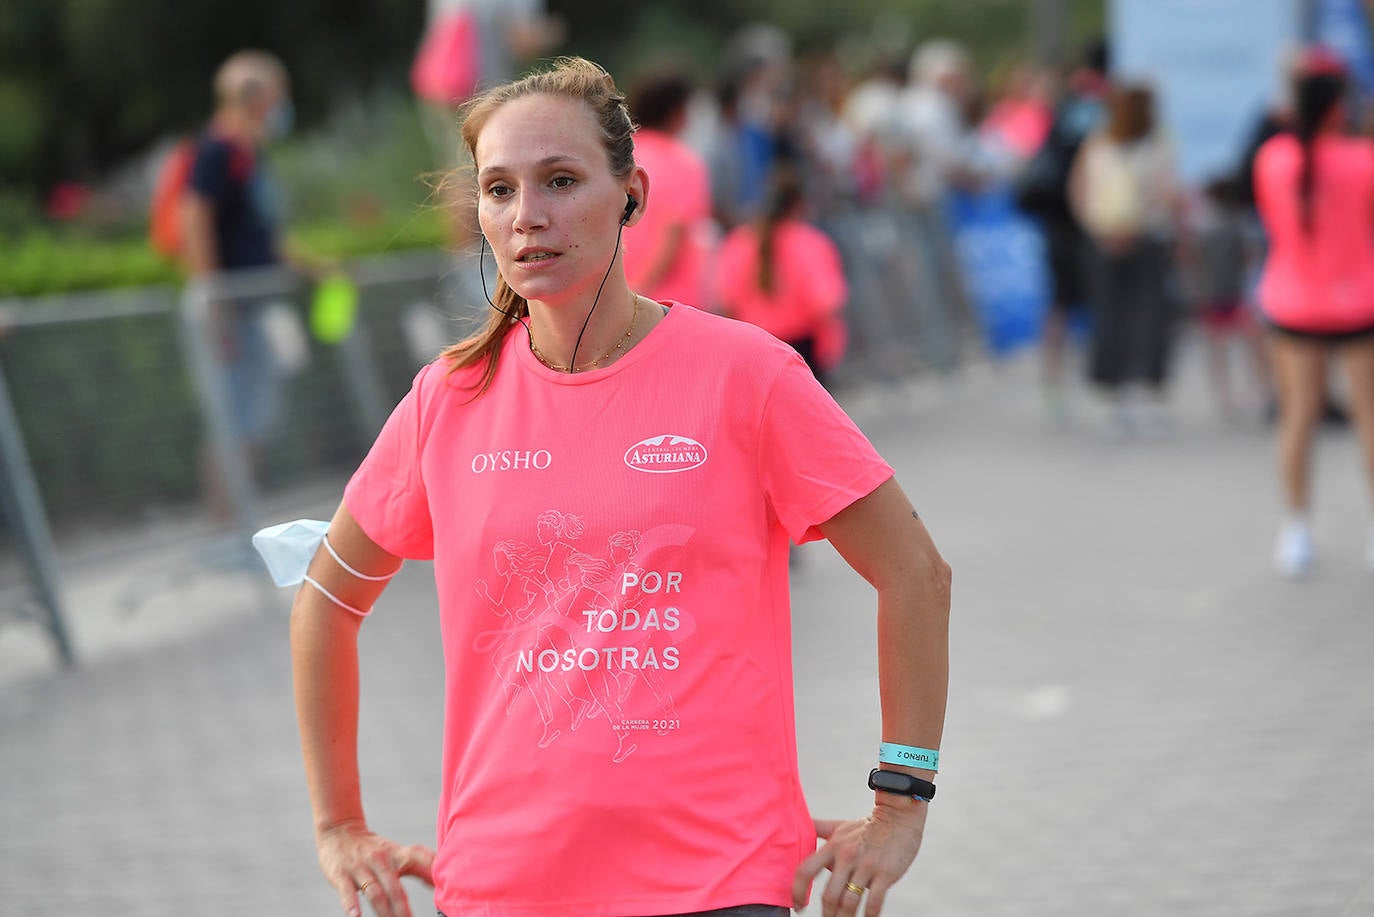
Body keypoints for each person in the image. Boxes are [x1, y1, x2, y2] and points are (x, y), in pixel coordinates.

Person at [280, 57, 950, 917]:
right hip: (502, 889)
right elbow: (325, 600)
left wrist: (900, 801)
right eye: (499, 189)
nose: (529, 216)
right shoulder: (446, 399)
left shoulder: (747, 376)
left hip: (720, 883)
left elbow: (917, 576)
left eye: (561, 181)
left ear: (630, 192)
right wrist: (339, 824)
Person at [1252, 62, 1374, 578]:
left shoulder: (1273, 158)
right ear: (1337, 107)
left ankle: (1297, 527)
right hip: (1358, 300)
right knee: (1370, 417)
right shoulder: (1362, 159)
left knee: (1298, 414)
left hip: (1292, 301)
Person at [181, 50, 295, 521]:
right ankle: (227, 524)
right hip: (229, 308)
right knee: (232, 419)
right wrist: (215, 300)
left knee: (252, 417)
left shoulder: (249, 155)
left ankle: (241, 519)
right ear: (258, 99)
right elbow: (193, 220)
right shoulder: (218, 151)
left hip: (249, 306)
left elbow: (258, 233)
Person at [1069, 81, 1183, 435]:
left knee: (1119, 317)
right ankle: (1137, 393)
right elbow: (1165, 195)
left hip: (1114, 239)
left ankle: (1122, 394)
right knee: (1140, 316)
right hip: (1139, 239)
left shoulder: (1099, 143)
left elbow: (1080, 191)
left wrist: (1102, 228)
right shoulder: (1152, 144)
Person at [716, 169, 848, 387]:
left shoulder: (736, 245)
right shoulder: (809, 242)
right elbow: (826, 303)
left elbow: (727, 302)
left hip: (757, 349)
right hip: (806, 348)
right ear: (799, 204)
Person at [621, 70, 712, 307]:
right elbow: (673, 236)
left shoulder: (621, 155)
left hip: (616, 295)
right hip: (669, 301)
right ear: (677, 111)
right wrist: (642, 290)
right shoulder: (683, 161)